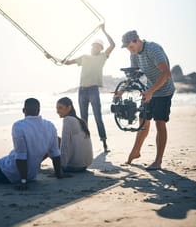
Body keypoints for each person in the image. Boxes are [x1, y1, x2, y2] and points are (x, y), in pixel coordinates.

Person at [0, 98, 67, 189]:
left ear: (23, 110)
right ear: (39, 110)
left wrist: (23, 181)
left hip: (8, 172)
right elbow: (55, 153)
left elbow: (21, 155)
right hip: (31, 175)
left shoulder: (19, 126)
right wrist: (59, 174)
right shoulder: (50, 126)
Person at [118, 30, 175, 170]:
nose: (130, 51)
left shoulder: (153, 49)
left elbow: (166, 73)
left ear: (137, 40)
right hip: (149, 89)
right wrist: (122, 90)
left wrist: (151, 91)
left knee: (159, 123)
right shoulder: (134, 54)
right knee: (143, 120)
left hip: (164, 90)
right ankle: (135, 152)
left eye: (131, 47)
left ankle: (158, 161)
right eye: (127, 48)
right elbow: (133, 76)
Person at [63, 24, 115, 153]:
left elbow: (113, 45)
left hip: (93, 90)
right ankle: (84, 144)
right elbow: (68, 62)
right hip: (82, 91)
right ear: (91, 47)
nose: (95, 47)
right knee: (83, 119)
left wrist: (104, 30)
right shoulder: (84, 57)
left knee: (98, 117)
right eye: (94, 45)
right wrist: (53, 57)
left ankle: (104, 143)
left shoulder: (102, 57)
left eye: (98, 46)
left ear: (100, 49)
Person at [56, 97, 93, 172]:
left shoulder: (68, 120)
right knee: (56, 139)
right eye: (57, 108)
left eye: (60, 108)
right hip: (84, 165)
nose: (57, 111)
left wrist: (62, 167)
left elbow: (65, 145)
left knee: (50, 140)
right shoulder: (79, 120)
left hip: (74, 167)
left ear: (69, 107)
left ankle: (33, 166)